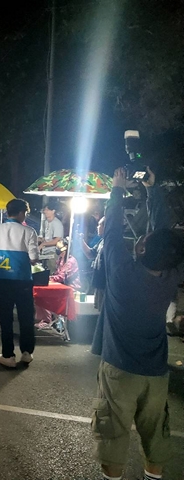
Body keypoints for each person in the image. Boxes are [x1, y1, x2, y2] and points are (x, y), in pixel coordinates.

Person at [91, 167, 182, 480]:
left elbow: (111, 231)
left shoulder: (121, 272)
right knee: (156, 437)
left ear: (142, 248)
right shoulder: (170, 276)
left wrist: (117, 189)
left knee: (113, 437)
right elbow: (163, 236)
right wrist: (152, 191)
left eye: (143, 239)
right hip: (156, 374)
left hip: (119, 369)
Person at [0, 198, 39, 368]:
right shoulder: (29, 231)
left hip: (2, 281)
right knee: (26, 317)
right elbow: (34, 259)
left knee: (5, 319)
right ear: (22, 212)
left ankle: (8, 355)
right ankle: (27, 352)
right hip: (23, 281)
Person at [36, 237, 81, 329]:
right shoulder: (61, 258)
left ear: (66, 247)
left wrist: (48, 278)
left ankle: (47, 320)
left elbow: (61, 277)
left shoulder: (70, 261)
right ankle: (46, 319)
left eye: (59, 245)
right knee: (40, 294)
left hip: (70, 288)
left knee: (46, 295)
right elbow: (57, 274)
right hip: (61, 286)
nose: (57, 248)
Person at [81, 217, 106, 310]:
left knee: (103, 310)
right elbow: (90, 254)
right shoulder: (102, 241)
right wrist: (80, 240)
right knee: (99, 310)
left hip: (105, 285)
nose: (97, 227)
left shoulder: (110, 243)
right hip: (98, 284)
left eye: (100, 225)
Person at [38, 202, 64, 273]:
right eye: (44, 209)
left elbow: (57, 240)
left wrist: (43, 244)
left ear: (53, 211)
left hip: (53, 253)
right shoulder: (46, 222)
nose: (45, 211)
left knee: (52, 273)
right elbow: (46, 238)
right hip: (45, 252)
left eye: (47, 210)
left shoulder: (57, 223)